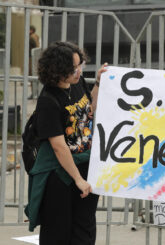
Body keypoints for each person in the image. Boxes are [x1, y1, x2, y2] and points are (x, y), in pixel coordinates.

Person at [25, 41, 107, 245]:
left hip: (85, 164)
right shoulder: (48, 100)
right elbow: (58, 146)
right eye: (73, 68)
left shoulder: (77, 83)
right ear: (58, 70)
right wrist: (78, 179)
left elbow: (89, 108)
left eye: (80, 64)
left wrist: (97, 82)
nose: (78, 71)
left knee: (85, 227)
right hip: (60, 173)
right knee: (58, 230)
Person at [29, 25, 40, 99]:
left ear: (32, 30)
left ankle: (34, 93)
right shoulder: (35, 36)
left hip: (32, 58)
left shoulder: (32, 37)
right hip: (34, 58)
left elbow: (36, 47)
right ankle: (35, 93)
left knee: (31, 74)